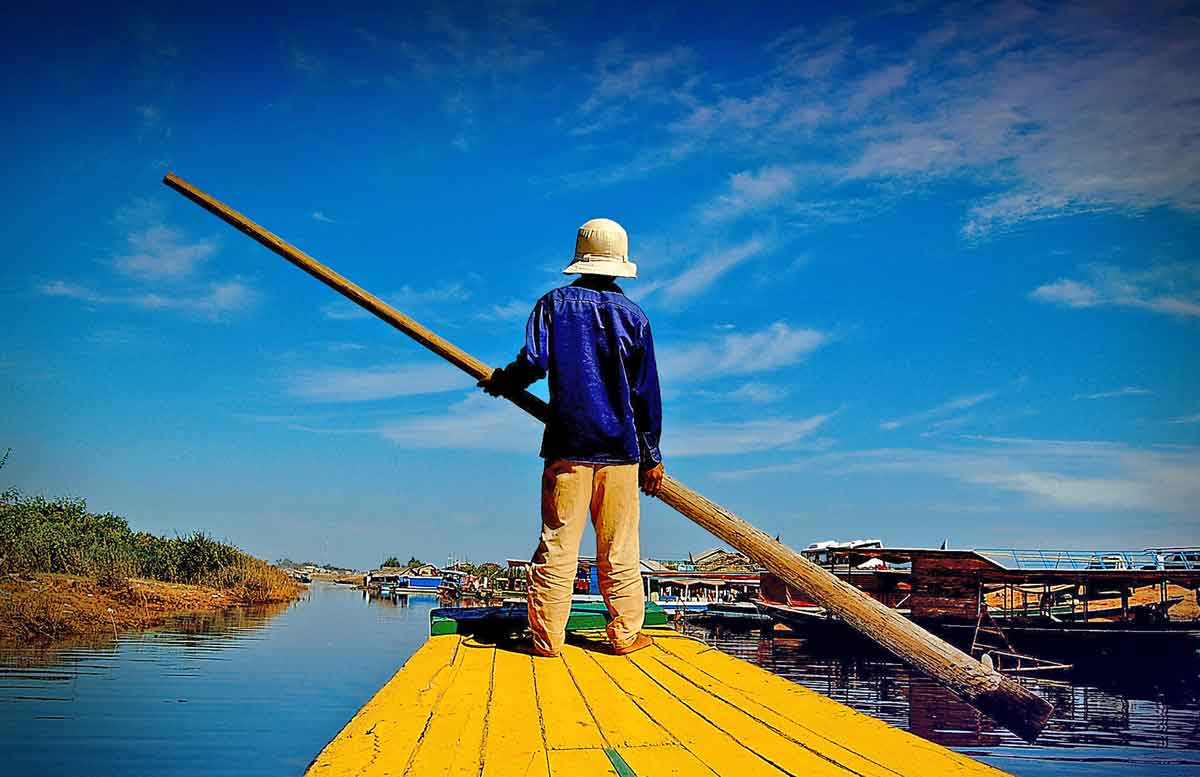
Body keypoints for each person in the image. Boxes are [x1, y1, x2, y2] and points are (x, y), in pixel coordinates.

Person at [479, 218, 664, 657]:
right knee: (619, 548)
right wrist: (652, 455)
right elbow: (645, 394)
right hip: (621, 450)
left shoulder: (554, 305)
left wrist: (505, 382)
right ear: (620, 264)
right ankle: (625, 635)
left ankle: (546, 639)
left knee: (558, 544)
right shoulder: (634, 316)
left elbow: (533, 361)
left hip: (569, 444)